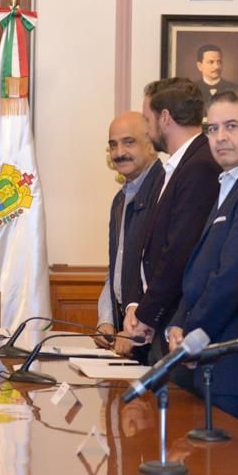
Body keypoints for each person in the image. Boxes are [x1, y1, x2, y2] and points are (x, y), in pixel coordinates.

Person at [164, 90, 238, 435]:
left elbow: (231, 277)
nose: (219, 137)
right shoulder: (233, 181)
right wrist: (177, 324)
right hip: (211, 362)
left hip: (236, 370)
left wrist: (190, 333)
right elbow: (200, 269)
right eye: (213, 129)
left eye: (231, 126)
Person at [117, 78, 221, 362]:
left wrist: (147, 315)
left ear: (164, 118)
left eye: (147, 119)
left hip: (177, 324)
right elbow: (149, 247)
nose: (146, 128)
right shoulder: (175, 166)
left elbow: (179, 251)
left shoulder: (200, 165)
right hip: (158, 319)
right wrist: (138, 307)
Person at [95, 112, 163, 341]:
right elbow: (117, 267)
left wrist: (137, 328)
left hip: (149, 332)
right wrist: (106, 320)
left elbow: (164, 270)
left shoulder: (164, 191)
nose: (119, 153)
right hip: (124, 329)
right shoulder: (120, 199)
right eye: (113, 145)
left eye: (129, 142)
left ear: (151, 144)